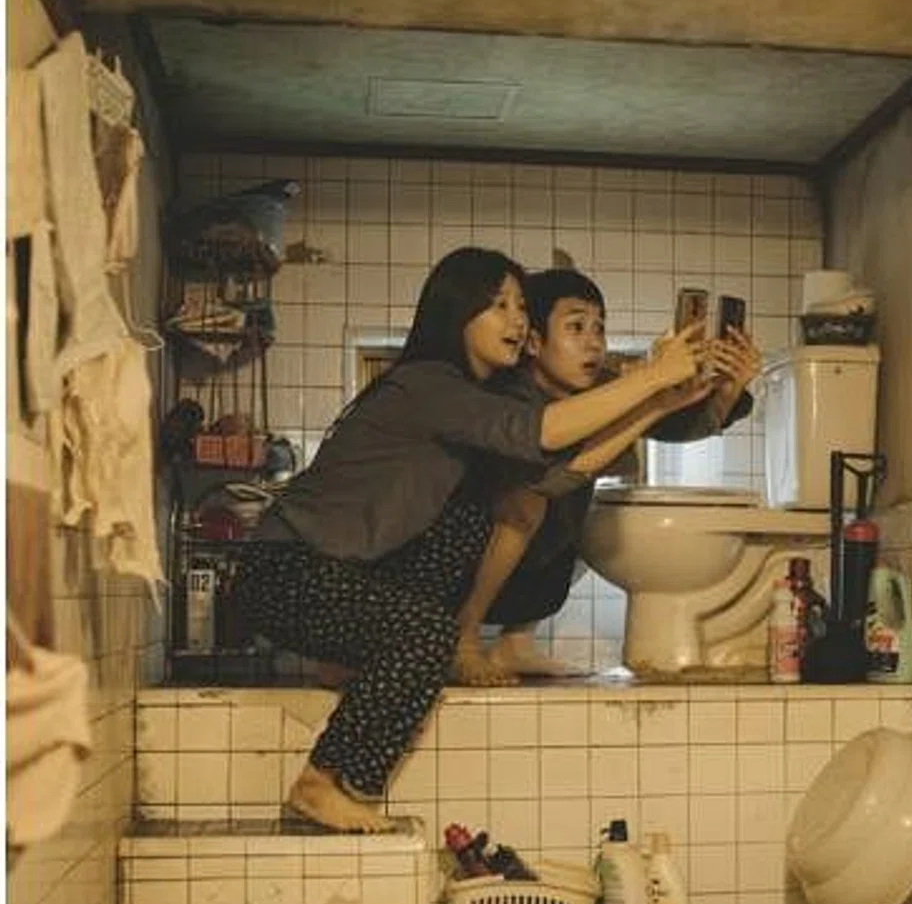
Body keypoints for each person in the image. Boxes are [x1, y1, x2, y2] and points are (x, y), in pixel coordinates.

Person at [231, 248, 702, 832]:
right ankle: (321, 782)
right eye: (499, 306)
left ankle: (341, 661)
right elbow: (543, 431)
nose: (517, 321)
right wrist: (651, 376)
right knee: (429, 635)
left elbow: (556, 474)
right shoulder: (429, 385)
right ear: (458, 313)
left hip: (338, 573)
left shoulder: (467, 400)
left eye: (521, 308)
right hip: (283, 569)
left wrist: (655, 406)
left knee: (477, 517)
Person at [450, 268, 762, 684]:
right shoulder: (506, 395)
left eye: (599, 327)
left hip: (529, 574)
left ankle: (515, 643)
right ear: (534, 341)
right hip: (455, 571)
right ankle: (463, 637)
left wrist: (725, 393)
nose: (594, 342)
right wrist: (651, 380)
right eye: (576, 327)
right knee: (530, 497)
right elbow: (549, 453)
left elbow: (668, 424)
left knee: (592, 500)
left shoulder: (596, 385)